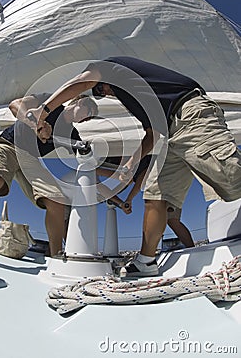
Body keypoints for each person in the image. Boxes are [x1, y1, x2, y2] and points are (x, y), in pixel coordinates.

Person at [27, 56, 241, 276]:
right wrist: (131, 163)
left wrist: (43, 112)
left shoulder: (112, 67)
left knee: (231, 175)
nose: (104, 94)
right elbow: (153, 133)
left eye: (100, 90)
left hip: (190, 115)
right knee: (155, 194)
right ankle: (146, 261)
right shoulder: (137, 100)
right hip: (170, 134)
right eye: (99, 94)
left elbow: (83, 81)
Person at [0, 93, 98, 257]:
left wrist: (121, 175)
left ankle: (56, 255)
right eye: (88, 111)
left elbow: (86, 162)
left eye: (89, 118)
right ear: (78, 100)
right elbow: (15, 104)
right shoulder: (52, 104)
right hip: (9, 145)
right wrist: (37, 124)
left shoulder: (72, 135)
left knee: (57, 201)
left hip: (29, 160)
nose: (86, 118)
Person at [97, 156, 195, 248]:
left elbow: (142, 173)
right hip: (161, 173)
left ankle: (148, 257)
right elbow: (125, 179)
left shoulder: (132, 158)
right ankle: (190, 249)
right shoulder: (100, 165)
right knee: (171, 220)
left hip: (166, 172)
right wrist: (121, 203)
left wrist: (128, 199)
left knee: (164, 215)